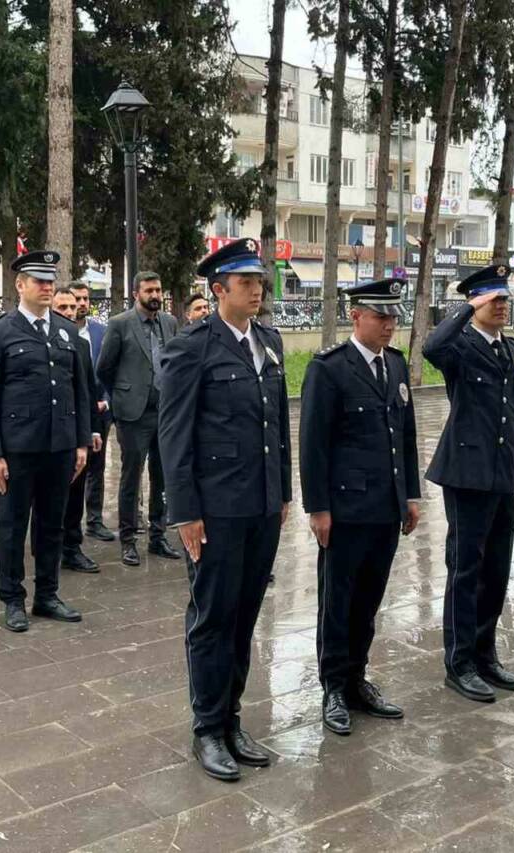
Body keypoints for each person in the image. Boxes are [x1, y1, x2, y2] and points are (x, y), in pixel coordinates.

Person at [159, 237, 292, 782]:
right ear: (218, 290)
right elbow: (174, 434)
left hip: (260, 505)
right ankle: (208, 728)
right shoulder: (193, 346)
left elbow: (278, 425)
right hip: (215, 510)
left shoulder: (270, 339)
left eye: (260, 281)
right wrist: (185, 512)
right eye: (246, 282)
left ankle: (233, 718)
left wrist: (283, 492)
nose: (257, 289)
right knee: (213, 618)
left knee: (245, 617)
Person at [300, 276, 421, 735]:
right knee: (338, 601)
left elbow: (405, 437)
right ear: (356, 316)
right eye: (381, 316)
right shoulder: (329, 369)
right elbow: (313, 444)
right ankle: (333, 686)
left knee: (369, 600)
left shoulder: (394, 365)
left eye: (394, 317)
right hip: (346, 511)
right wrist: (319, 509)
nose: (390, 325)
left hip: (385, 509)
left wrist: (410, 494)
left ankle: (356, 679)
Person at [423, 263, 514, 702]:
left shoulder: (511, 350)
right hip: (466, 475)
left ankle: (485, 652)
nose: (501, 306)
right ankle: (459, 661)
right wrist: (467, 308)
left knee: (496, 568)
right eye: (492, 299)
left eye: (504, 298)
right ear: (476, 303)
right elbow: (432, 345)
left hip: (503, 472)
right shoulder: (459, 348)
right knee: (465, 569)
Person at [0, 250, 91, 632]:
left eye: (50, 280)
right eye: (38, 280)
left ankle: (47, 593)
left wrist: (78, 443)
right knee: (11, 526)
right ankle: (12, 598)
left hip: (59, 446)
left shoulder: (66, 331)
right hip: (18, 448)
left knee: (51, 524)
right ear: (20, 285)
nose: (46, 286)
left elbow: (79, 391)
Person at [97, 271, 183, 566]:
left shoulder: (169, 323)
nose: (156, 295)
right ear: (136, 293)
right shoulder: (120, 324)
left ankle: (158, 537)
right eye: (149, 290)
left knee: (162, 477)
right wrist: (122, 395)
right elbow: (104, 368)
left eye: (158, 290)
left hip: (165, 413)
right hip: (133, 415)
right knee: (131, 478)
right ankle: (128, 539)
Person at [52, 284, 105, 573]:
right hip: (47, 435)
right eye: (63, 307)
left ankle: (72, 547)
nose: (69, 312)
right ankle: (46, 547)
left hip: (75, 434)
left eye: (73, 307)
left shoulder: (81, 344)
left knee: (74, 495)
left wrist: (92, 431)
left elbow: (88, 391)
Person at [76, 283, 115, 543]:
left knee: (96, 468)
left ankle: (95, 520)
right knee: (73, 467)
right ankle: (68, 524)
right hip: (74, 413)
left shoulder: (102, 331)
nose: (81, 303)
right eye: (76, 298)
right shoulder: (62, 332)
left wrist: (106, 400)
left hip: (100, 411)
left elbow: (113, 369)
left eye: (85, 298)